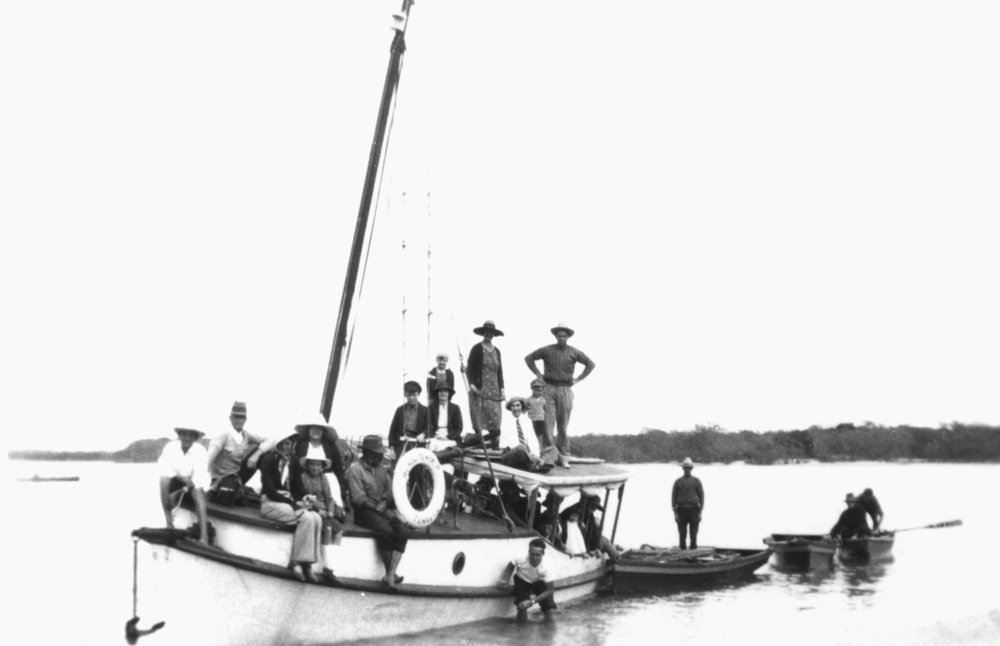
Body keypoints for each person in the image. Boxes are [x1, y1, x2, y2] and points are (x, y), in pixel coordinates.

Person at [257, 431, 325, 583]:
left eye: (290, 443)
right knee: (306, 517)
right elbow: (269, 490)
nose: (288, 447)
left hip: (287, 502)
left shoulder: (292, 461)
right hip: (271, 502)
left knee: (317, 518)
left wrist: (305, 496)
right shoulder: (268, 460)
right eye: (286, 443)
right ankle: (296, 563)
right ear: (279, 443)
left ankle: (307, 564)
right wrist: (292, 502)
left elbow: (297, 488)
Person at [524, 324, 595, 465]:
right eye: (559, 336)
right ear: (555, 336)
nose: (561, 338)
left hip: (565, 389)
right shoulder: (547, 350)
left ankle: (563, 456)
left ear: (568, 337)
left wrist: (577, 379)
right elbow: (529, 358)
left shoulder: (574, 352)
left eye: (564, 336)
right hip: (548, 388)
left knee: (563, 424)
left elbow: (590, 364)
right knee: (548, 423)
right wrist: (538, 374)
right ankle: (549, 455)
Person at [347, 435, 408, 589]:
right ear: (367, 453)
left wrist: (384, 502)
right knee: (385, 530)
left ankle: (390, 574)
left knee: (401, 531)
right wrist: (379, 508)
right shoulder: (355, 470)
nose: (381, 456)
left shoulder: (382, 469)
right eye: (378, 454)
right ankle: (390, 574)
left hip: (381, 509)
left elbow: (390, 488)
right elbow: (358, 498)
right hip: (364, 512)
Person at [205, 401, 274, 504]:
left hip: (237, 476)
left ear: (245, 419)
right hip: (220, 478)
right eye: (236, 417)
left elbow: (271, 440)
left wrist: (256, 454)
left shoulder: (246, 435)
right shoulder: (222, 436)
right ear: (230, 418)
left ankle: (268, 493)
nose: (239, 420)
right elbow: (208, 459)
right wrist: (204, 484)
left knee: (266, 453)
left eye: (241, 417)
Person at [157, 427, 210, 544]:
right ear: (179, 435)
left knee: (198, 493)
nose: (186, 438)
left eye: (190, 435)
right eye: (183, 434)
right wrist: (183, 481)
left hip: (194, 485)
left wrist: (181, 490)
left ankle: (204, 537)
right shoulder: (170, 447)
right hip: (178, 481)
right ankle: (169, 523)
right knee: (163, 481)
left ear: (195, 438)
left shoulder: (201, 451)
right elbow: (164, 470)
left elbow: (199, 479)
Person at [289, 417, 348, 516]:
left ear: (323, 431)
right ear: (308, 430)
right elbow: (296, 463)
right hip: (305, 475)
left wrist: (343, 487)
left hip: (325, 476)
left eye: (319, 428)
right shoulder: (301, 443)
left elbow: (338, 467)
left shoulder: (330, 445)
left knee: (331, 479)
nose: (315, 431)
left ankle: (336, 510)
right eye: (312, 428)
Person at [466, 320, 506, 449]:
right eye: (487, 332)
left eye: (491, 333)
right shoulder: (477, 348)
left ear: (494, 335)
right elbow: (469, 368)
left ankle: (495, 445)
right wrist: (471, 384)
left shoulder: (497, 351)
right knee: (479, 418)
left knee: (495, 419)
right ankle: (480, 443)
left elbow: (499, 371)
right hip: (479, 389)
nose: (489, 334)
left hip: (494, 391)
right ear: (483, 333)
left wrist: (502, 388)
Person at [298, 446, 345, 551]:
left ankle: (334, 558)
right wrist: (319, 511)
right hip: (312, 509)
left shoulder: (323, 478)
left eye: (318, 465)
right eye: (312, 464)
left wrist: (331, 511)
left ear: (322, 467)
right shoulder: (304, 477)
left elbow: (329, 497)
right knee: (327, 529)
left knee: (339, 530)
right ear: (307, 465)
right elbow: (304, 499)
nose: (315, 468)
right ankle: (325, 560)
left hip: (325, 510)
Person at [500, 537, 556, 622]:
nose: (534, 558)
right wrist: (505, 579)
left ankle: (549, 632)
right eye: (532, 554)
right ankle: (522, 633)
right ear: (528, 551)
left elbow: (549, 591)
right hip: (522, 580)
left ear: (543, 554)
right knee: (522, 605)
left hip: (539, 582)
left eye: (538, 555)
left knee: (549, 607)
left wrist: (531, 602)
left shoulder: (548, 567)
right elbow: (511, 565)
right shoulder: (521, 556)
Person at [499, 396, 558, 472]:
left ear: (522, 407)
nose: (516, 408)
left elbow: (532, 439)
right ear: (510, 408)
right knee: (520, 448)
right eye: (513, 406)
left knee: (553, 449)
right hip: (511, 453)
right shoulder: (506, 421)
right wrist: (531, 456)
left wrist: (536, 455)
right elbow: (512, 443)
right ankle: (538, 465)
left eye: (518, 405)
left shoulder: (526, 420)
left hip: (527, 454)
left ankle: (538, 463)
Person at [559, 493, 619, 562]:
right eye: (593, 506)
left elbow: (591, 534)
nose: (594, 509)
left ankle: (615, 556)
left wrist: (596, 548)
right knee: (604, 541)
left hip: (587, 544)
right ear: (587, 503)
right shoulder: (574, 511)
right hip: (577, 544)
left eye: (595, 507)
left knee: (604, 540)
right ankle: (617, 559)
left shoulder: (590, 515)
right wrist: (591, 550)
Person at [388, 381, 430, 458]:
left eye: (414, 395)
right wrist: (391, 448)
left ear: (418, 394)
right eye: (409, 395)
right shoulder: (400, 410)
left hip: (418, 445)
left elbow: (429, 428)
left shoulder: (425, 410)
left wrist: (423, 434)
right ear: (405, 395)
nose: (411, 398)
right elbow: (393, 430)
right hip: (401, 445)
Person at [671, 457, 704, 550]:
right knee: (682, 533)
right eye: (686, 467)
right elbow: (673, 498)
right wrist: (675, 513)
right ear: (683, 468)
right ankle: (682, 551)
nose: (687, 469)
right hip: (681, 510)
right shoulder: (678, 482)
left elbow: (701, 496)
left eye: (689, 468)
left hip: (694, 509)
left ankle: (693, 551)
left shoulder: (696, 481)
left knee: (693, 533)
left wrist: (700, 512)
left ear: (691, 469)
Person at [525, 378, 559, 463]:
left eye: (539, 390)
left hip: (540, 421)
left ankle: (538, 452)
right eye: (535, 390)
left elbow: (545, 410)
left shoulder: (544, 400)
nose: (537, 392)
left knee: (539, 437)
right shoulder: (528, 400)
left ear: (542, 390)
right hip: (531, 421)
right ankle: (529, 452)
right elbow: (524, 411)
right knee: (530, 436)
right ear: (532, 389)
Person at [427, 384, 465, 450]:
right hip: (436, 436)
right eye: (440, 391)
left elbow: (459, 427)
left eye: (445, 391)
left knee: (444, 448)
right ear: (437, 394)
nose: (443, 393)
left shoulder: (455, 408)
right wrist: (435, 435)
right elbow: (428, 425)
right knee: (431, 446)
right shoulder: (432, 407)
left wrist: (448, 437)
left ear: (449, 394)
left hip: (450, 437)